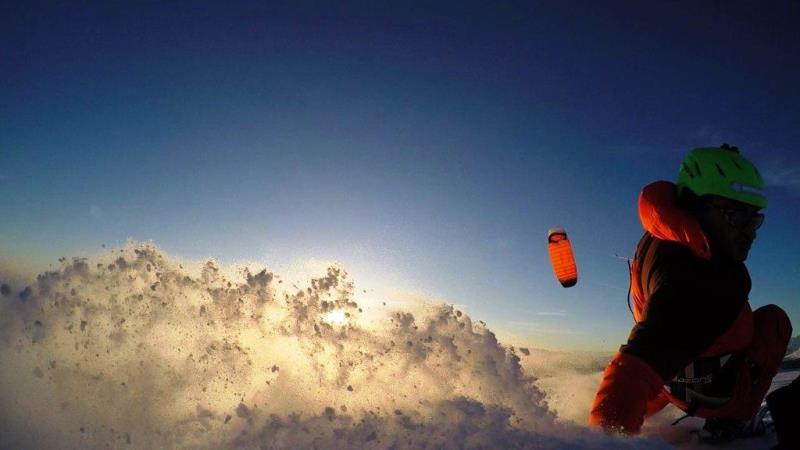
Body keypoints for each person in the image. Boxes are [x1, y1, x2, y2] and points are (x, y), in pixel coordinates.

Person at [588, 144, 797, 445]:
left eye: (755, 219)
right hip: (708, 392)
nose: (750, 232)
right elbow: (632, 372)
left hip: (667, 382)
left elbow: (658, 339)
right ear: (696, 206)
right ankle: (731, 423)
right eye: (736, 217)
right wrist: (603, 442)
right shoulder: (708, 279)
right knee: (774, 321)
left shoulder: (661, 232)